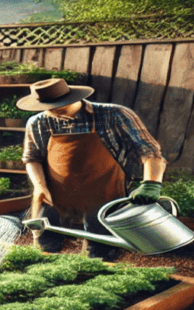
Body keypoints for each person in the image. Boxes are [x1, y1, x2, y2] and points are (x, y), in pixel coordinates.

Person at [18, 78, 166, 259]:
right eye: (47, 107)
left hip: (102, 191)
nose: (52, 112)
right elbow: (32, 159)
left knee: (100, 250)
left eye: (57, 106)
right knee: (45, 245)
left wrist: (151, 183)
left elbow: (150, 151)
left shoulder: (114, 115)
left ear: (72, 99)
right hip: (54, 191)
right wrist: (40, 186)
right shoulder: (38, 122)